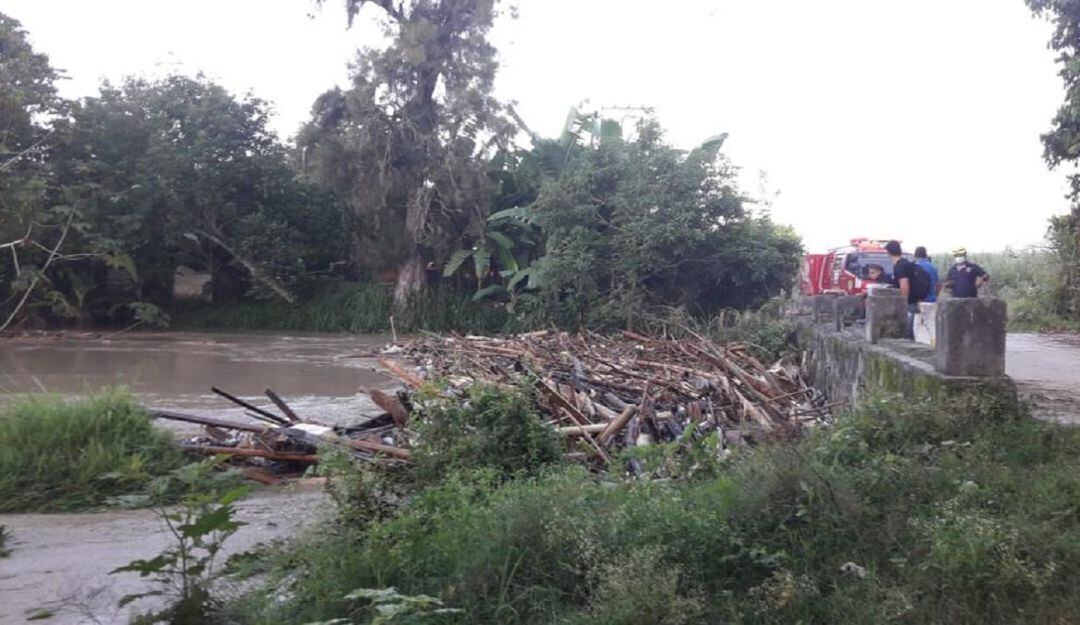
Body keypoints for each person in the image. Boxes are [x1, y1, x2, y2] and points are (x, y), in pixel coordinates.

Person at [885, 240, 922, 339]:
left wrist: (902, 304)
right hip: (913, 301)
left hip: (908, 303)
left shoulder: (900, 266)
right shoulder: (906, 263)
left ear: (888, 252)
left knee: (907, 331)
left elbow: (904, 286)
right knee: (911, 330)